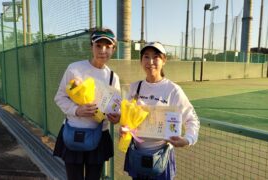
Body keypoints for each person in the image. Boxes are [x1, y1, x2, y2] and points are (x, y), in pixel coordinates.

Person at [122, 42, 200, 180]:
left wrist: (187, 139)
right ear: (141, 61)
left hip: (161, 158)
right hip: (137, 155)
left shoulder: (173, 90)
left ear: (164, 60)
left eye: (156, 57)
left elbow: (192, 119)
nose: (150, 62)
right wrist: (124, 130)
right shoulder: (135, 87)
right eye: (146, 57)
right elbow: (127, 119)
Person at [53, 27, 121, 180]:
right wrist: (77, 110)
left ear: (113, 49)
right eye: (98, 45)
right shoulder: (75, 68)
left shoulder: (112, 77)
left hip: (99, 136)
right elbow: (59, 97)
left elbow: (114, 109)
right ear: (91, 47)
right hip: (73, 133)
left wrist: (115, 118)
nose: (102, 50)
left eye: (108, 46)